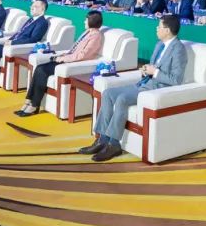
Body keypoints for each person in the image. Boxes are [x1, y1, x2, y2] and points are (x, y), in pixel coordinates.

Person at [80, 14, 187, 162]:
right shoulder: (159, 45)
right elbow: (153, 67)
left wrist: (155, 72)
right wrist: (146, 70)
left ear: (167, 30)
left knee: (122, 98)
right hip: (144, 83)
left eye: (159, 26)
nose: (156, 29)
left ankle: (114, 144)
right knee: (108, 93)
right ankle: (102, 140)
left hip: (156, 89)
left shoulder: (178, 49)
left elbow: (176, 80)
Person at [16, 10, 106, 116]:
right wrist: (62, 55)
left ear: (92, 21)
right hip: (67, 59)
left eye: (86, 19)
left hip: (72, 63)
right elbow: (74, 49)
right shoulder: (88, 32)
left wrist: (64, 59)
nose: (84, 22)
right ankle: (29, 101)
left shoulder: (96, 36)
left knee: (42, 70)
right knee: (39, 67)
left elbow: (83, 55)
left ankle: (34, 105)